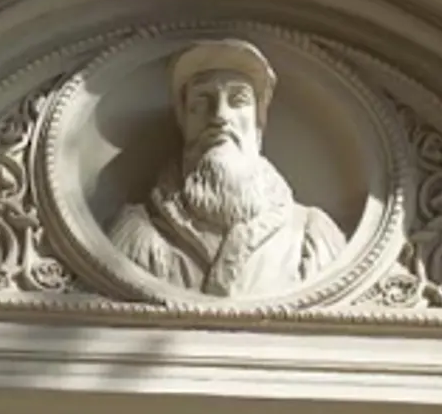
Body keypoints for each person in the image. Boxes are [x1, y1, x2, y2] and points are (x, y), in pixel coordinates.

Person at [108, 39, 348, 297]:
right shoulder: (139, 233)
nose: (220, 115)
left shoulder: (308, 235)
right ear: (184, 122)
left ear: (259, 120)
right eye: (202, 101)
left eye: (238, 100)